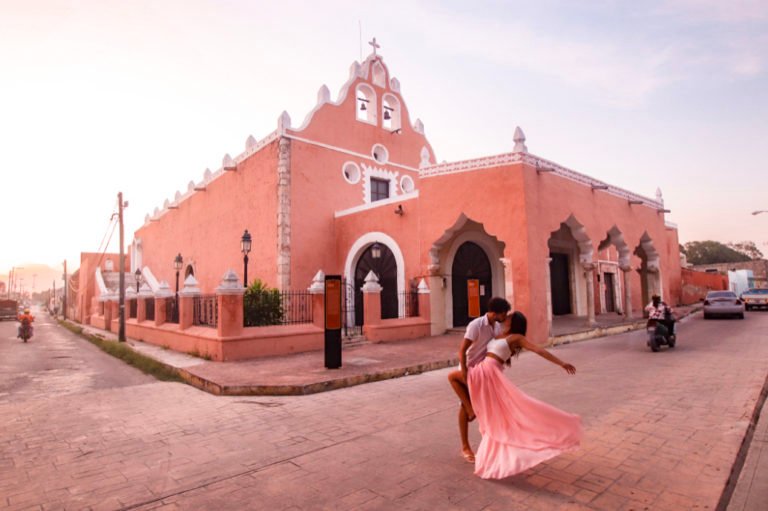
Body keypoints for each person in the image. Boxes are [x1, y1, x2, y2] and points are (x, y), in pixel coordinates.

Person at [468, 311, 582, 479]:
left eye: (509, 318)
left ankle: (497, 457)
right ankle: (470, 412)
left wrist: (561, 363)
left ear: (514, 323)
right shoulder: (498, 333)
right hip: (484, 372)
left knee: (505, 414)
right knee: (492, 414)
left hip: (492, 375)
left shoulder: (516, 337)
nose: (505, 319)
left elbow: (539, 350)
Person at [447, 297, 511, 463]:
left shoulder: (496, 327)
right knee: (463, 404)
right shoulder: (476, 325)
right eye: (504, 313)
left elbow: (496, 347)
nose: (506, 317)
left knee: (485, 405)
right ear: (496, 313)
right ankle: (465, 447)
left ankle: (491, 441)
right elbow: (462, 350)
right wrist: (465, 371)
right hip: (469, 368)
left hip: (483, 370)